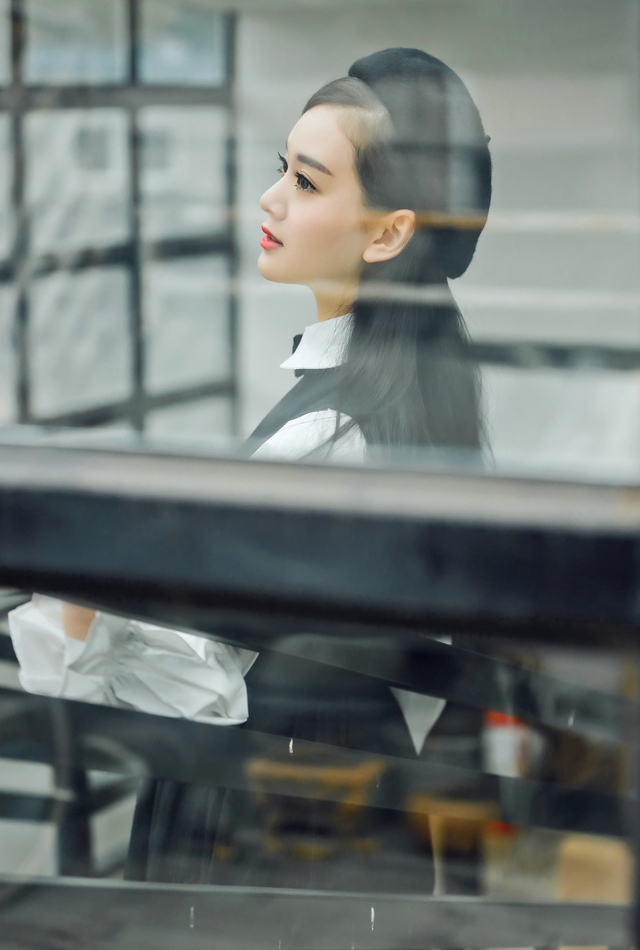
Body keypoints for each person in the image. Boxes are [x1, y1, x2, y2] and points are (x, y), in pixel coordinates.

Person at [9, 48, 492, 885]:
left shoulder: (328, 435)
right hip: (359, 818)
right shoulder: (425, 388)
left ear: (388, 232)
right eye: (283, 168)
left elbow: (191, 689)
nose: (270, 199)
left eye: (306, 182)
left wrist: (79, 595)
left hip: (260, 832)